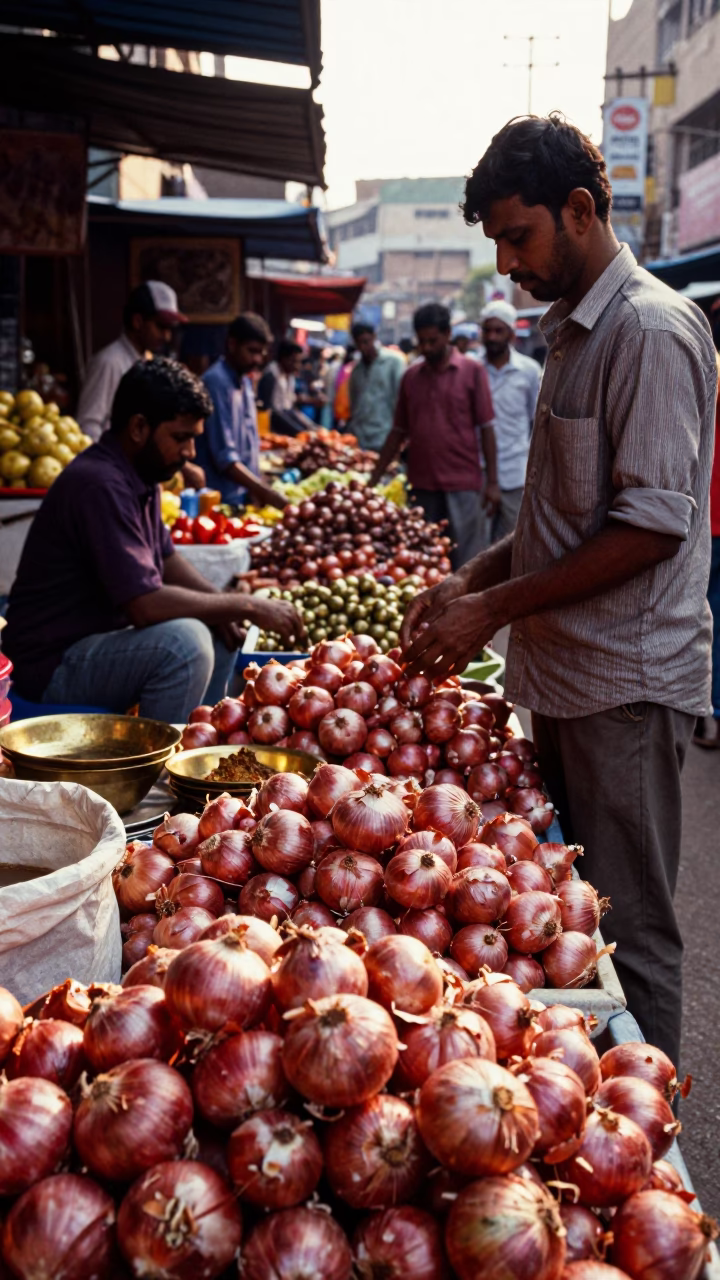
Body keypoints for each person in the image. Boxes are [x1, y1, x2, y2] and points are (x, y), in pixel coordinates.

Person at [399, 114, 717, 1066]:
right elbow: (559, 516)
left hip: (625, 687)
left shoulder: (650, 334)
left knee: (628, 927)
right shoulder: (573, 337)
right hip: (566, 680)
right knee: (570, 920)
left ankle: (643, 1129)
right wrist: (472, 573)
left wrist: (491, 610)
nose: (504, 262)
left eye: (518, 235)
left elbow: (652, 530)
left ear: (580, 210)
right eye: (495, 241)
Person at [3, 360, 303, 723]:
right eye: (181, 438)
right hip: (51, 666)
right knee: (185, 644)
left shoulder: (141, 475)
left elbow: (166, 559)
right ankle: (164, 768)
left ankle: (201, 741)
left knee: (220, 628)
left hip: (94, 644)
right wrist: (247, 605)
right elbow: (143, 604)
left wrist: (225, 606)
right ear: (139, 427)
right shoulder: (99, 484)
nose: (191, 452)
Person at [369, 302, 499, 569]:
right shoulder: (411, 377)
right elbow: (397, 432)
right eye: (422, 342)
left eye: (432, 340)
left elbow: (486, 428)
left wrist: (493, 482)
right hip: (422, 485)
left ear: (448, 334)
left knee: (465, 562)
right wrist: (373, 478)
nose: (426, 348)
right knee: (424, 559)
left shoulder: (472, 372)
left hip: (462, 483)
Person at [197, 313, 285, 509]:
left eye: (261, 353)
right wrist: (265, 492)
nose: (256, 359)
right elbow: (225, 457)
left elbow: (249, 442)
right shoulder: (215, 383)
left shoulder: (245, 381)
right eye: (252, 351)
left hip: (242, 497)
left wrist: (258, 485)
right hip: (220, 500)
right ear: (232, 344)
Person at [77, 282, 186, 442]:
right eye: (161, 326)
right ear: (138, 321)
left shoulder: (150, 360)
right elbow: (87, 425)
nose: (167, 336)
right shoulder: (109, 362)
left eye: (170, 328)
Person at [480, 299, 541, 541]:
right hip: (478, 472)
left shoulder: (529, 371)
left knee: (510, 546)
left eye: (499, 330)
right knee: (475, 549)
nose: (492, 337)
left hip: (515, 473)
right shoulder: (473, 369)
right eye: (487, 330)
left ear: (511, 334)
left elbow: (534, 421)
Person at [694, 301, 720, 748]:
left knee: (705, 618)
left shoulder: (706, 365)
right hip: (706, 518)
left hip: (705, 520)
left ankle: (705, 708)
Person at [348, 323, 406, 452]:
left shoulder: (394, 362)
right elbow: (354, 403)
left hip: (385, 436)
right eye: (359, 344)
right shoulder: (356, 370)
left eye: (366, 342)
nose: (363, 347)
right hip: (360, 438)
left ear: (374, 337)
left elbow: (402, 400)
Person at [257, 340, 316, 436]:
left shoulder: (289, 376)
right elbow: (271, 412)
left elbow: (289, 408)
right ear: (284, 358)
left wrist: (310, 427)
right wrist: (299, 431)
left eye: (299, 362)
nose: (297, 366)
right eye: (294, 361)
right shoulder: (271, 375)